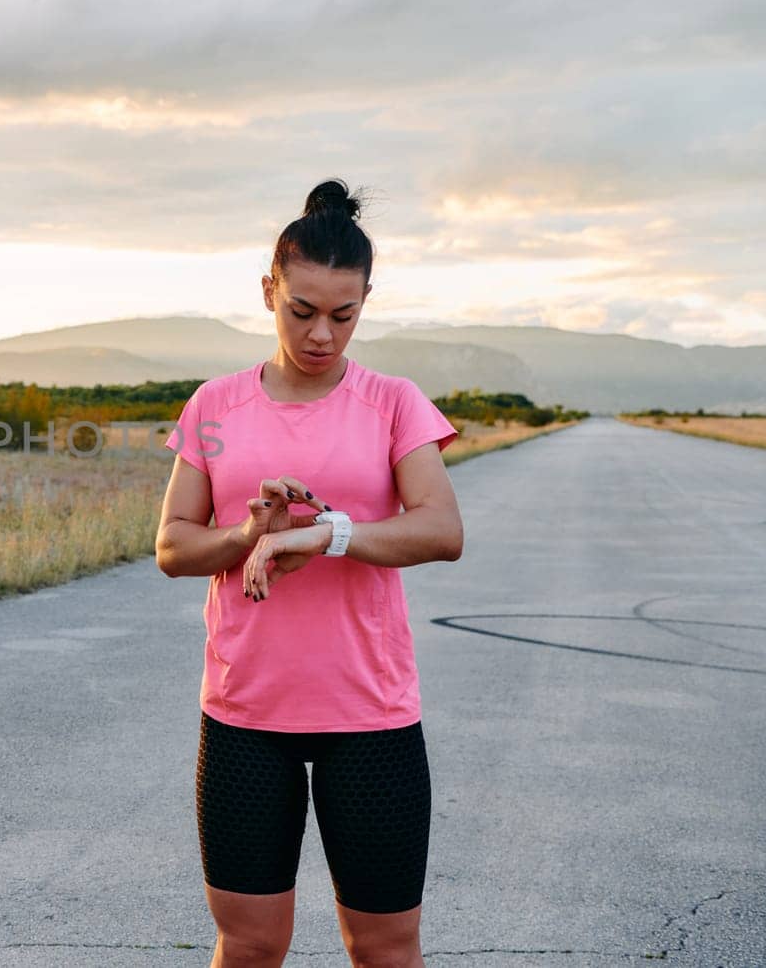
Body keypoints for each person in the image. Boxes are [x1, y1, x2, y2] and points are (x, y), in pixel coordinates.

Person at [155, 179, 464, 968]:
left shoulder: (393, 403)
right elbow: (173, 547)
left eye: (344, 313)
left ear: (366, 300)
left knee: (385, 948)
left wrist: (330, 534)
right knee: (252, 944)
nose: (323, 333)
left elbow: (442, 528)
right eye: (302, 311)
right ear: (269, 291)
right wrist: (250, 532)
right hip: (244, 718)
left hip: (371, 719)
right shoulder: (215, 408)